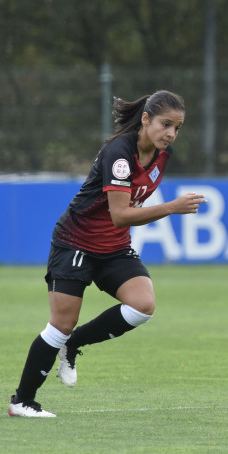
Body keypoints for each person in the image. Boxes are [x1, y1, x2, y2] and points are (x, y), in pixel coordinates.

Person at [8, 90, 207, 417]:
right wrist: (171, 207)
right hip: (76, 242)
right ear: (146, 119)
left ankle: (73, 346)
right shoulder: (119, 154)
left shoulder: (160, 156)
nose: (171, 133)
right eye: (165, 124)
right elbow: (120, 214)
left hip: (113, 247)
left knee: (143, 305)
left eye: (177, 127)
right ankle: (22, 401)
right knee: (61, 324)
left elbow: (123, 217)